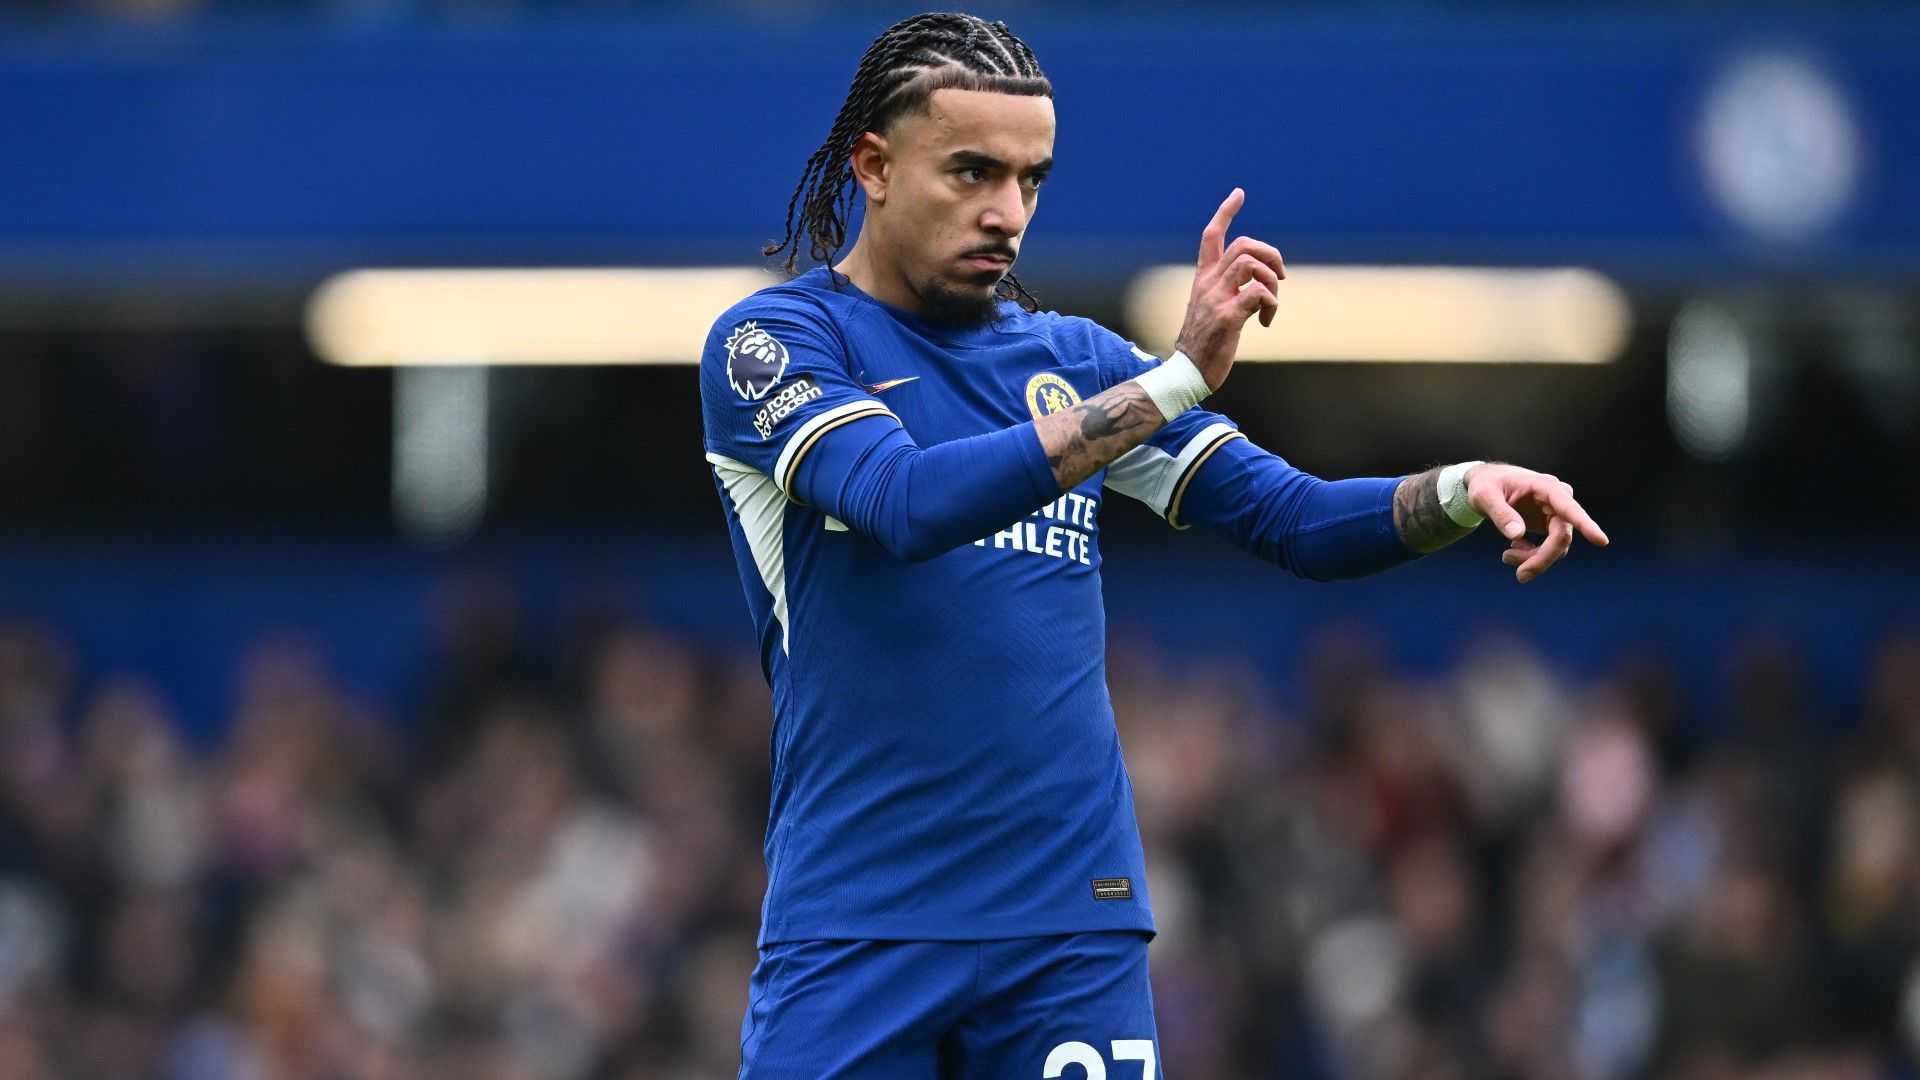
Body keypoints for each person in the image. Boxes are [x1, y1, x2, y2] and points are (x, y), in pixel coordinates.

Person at [698, 11, 1608, 1076]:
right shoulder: (776, 344)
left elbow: (1296, 521)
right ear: (875, 166)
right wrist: (1171, 381)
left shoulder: (1076, 362)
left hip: (1068, 931)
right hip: (858, 927)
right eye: (973, 171)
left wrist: (1459, 486)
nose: (1007, 213)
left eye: (1031, 180)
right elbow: (904, 502)